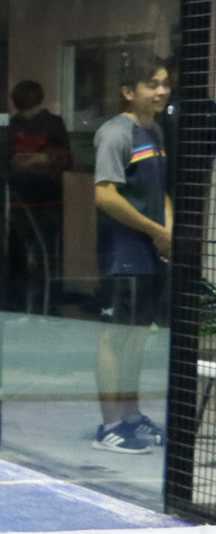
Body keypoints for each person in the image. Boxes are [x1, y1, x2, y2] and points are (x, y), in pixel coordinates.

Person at [90, 59, 174, 456]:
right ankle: (110, 425)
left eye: (164, 84)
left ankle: (132, 415)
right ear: (128, 91)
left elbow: (161, 193)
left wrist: (168, 234)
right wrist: (157, 232)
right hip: (122, 254)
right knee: (116, 337)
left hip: (150, 253)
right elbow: (105, 195)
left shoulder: (155, 130)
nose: (160, 92)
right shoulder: (115, 133)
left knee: (137, 338)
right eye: (150, 84)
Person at [4, 80, 70, 314]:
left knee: (47, 254)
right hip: (19, 199)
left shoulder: (53, 123)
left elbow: (61, 159)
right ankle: (21, 305)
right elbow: (6, 161)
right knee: (19, 255)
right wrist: (38, 159)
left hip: (48, 198)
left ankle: (47, 305)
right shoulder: (10, 125)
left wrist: (30, 160)